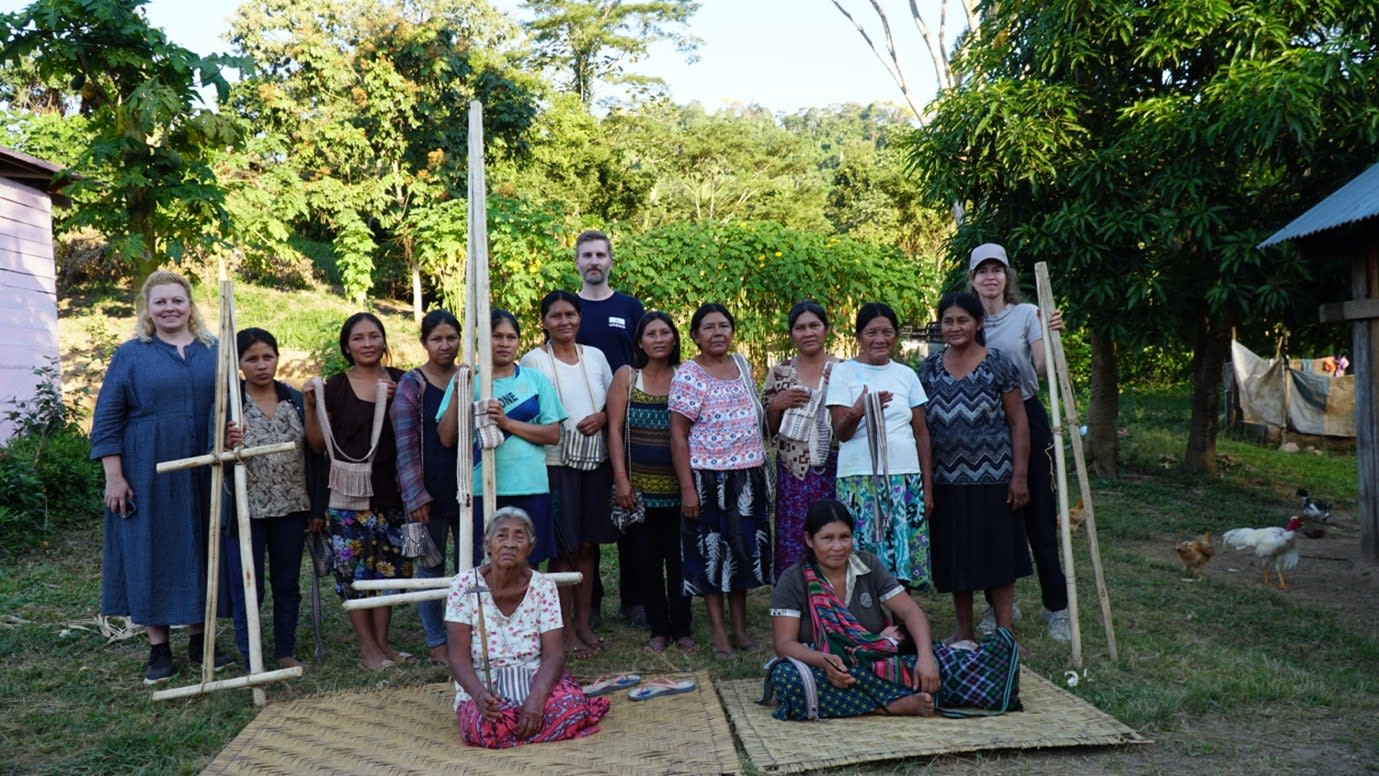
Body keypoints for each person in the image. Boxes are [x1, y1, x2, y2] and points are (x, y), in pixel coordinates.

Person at [91, 270, 235, 683]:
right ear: (148, 310)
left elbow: (230, 405)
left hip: (204, 464)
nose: (170, 308)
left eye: (177, 300)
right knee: (151, 548)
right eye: (161, 302)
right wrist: (114, 477)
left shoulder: (214, 350)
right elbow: (107, 419)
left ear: (190, 305)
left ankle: (199, 637)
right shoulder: (132, 353)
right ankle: (158, 647)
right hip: (147, 467)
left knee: (199, 541)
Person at [967, 243, 1070, 641]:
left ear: (1007, 277)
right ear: (973, 279)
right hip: (983, 427)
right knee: (993, 521)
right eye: (982, 271)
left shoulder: (1028, 315)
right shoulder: (969, 322)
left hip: (1027, 415)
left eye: (997, 270)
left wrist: (1051, 336)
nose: (990, 277)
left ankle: (1056, 607)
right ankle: (1000, 607)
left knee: (1040, 518)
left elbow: (1042, 367)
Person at [918, 292, 1032, 644]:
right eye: (948, 321)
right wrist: (927, 485)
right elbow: (920, 428)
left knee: (998, 555)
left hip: (994, 478)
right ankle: (963, 629)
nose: (954, 327)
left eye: (962, 320)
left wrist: (1019, 476)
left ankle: (1004, 631)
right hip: (947, 480)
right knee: (958, 556)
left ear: (978, 323)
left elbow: (1018, 422)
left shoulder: (997, 363)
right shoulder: (928, 369)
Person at [445, 507, 610, 749]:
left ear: (531, 547)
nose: (510, 544)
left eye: (519, 537)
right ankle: (531, 728)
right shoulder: (464, 585)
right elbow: (458, 658)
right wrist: (480, 696)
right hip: (485, 682)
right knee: (484, 726)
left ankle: (518, 729)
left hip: (534, 678)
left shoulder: (543, 587)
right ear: (487, 543)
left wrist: (536, 700)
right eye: (501, 536)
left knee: (571, 707)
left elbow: (554, 654)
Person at [303, 312, 411, 671]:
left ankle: (384, 644)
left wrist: (397, 399)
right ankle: (368, 649)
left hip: (392, 494)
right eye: (358, 338)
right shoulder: (333, 387)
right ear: (346, 346)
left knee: (388, 572)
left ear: (384, 341)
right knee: (354, 576)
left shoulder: (402, 381)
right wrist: (310, 405)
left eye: (374, 336)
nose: (367, 344)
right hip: (347, 499)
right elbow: (317, 445)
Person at [766, 499, 939, 720]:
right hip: (822, 664)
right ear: (809, 539)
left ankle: (867, 702)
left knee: (935, 665)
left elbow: (911, 612)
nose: (838, 547)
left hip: (873, 659)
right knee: (787, 680)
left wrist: (925, 657)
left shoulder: (868, 565)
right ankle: (892, 704)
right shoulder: (793, 580)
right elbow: (784, 644)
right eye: (827, 538)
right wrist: (823, 661)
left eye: (844, 537)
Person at [669, 303, 771, 659]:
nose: (717, 333)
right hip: (706, 479)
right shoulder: (688, 374)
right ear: (695, 336)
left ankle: (740, 630)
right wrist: (687, 488)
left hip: (746, 477)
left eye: (724, 326)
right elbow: (678, 436)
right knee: (712, 556)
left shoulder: (741, 365)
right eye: (708, 327)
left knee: (741, 554)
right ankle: (718, 634)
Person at [520, 291, 615, 659]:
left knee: (589, 543)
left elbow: (612, 400)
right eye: (556, 316)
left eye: (571, 314)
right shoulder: (533, 360)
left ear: (580, 318)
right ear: (543, 322)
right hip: (555, 463)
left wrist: (604, 417)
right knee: (563, 547)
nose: (564, 322)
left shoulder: (595, 356)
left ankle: (583, 622)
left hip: (596, 459)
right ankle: (561, 631)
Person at [223, 327, 324, 670]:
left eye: (268, 357)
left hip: (291, 507)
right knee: (248, 586)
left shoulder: (293, 399)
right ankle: (252, 658)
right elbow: (214, 452)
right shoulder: (230, 404)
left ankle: (284, 652)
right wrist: (224, 440)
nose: (261, 365)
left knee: (286, 583)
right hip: (245, 510)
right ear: (239, 363)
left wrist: (311, 407)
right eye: (252, 359)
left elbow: (315, 447)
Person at [437, 309, 565, 568]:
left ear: (519, 341)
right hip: (482, 488)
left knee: (528, 564)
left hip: (531, 487)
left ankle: (525, 610)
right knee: (485, 565)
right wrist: (459, 391)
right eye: (496, 336)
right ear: (481, 341)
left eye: (511, 337)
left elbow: (552, 435)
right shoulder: (467, 379)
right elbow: (447, 438)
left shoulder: (535, 380)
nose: (504, 343)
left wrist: (506, 422)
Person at [825, 303, 935, 589]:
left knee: (902, 554)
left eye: (887, 332)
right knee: (865, 553)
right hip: (860, 480)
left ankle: (901, 624)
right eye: (871, 332)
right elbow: (841, 433)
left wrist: (927, 486)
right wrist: (857, 411)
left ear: (895, 335)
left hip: (904, 478)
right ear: (858, 336)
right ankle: (869, 623)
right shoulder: (843, 373)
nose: (880, 339)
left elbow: (921, 432)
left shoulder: (906, 375)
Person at [571, 229, 647, 628]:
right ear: (577, 263)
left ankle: (635, 600)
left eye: (601, 254)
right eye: (587, 255)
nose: (594, 261)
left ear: (611, 261)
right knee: (588, 517)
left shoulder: (630, 308)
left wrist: (611, 414)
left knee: (631, 510)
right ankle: (592, 600)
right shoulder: (569, 309)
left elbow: (646, 359)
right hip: (581, 432)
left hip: (629, 429)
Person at [607, 311, 695, 653]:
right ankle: (658, 629)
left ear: (674, 339)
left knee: (679, 560)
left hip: (681, 489)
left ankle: (683, 628)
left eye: (665, 333)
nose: (658, 339)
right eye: (651, 334)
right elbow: (613, 430)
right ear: (640, 342)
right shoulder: (627, 377)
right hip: (639, 492)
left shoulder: (685, 376)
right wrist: (621, 480)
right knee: (646, 561)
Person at [392, 310, 462, 666]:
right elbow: (403, 444)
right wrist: (414, 495)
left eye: (451, 338)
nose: (445, 346)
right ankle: (436, 644)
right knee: (427, 571)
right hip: (421, 497)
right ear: (424, 343)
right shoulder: (412, 383)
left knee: (469, 569)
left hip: (465, 491)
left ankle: (464, 641)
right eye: (437, 339)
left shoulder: (469, 378)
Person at [763, 300, 842, 580]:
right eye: (800, 328)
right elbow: (769, 431)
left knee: (833, 534)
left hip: (835, 469)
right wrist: (776, 405)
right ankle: (794, 602)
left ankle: (834, 602)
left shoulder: (844, 370)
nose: (808, 333)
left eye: (814, 326)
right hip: (793, 473)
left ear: (826, 330)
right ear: (791, 334)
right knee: (794, 536)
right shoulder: (780, 372)